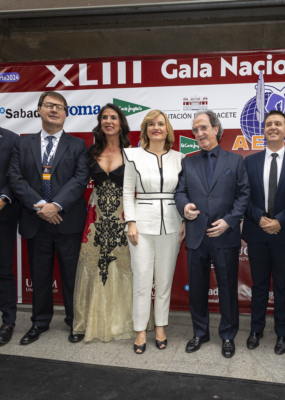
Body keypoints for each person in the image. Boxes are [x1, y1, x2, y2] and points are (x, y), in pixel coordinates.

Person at [8, 91, 89, 344]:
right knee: (40, 275)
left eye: (60, 107)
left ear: (66, 113)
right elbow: (15, 178)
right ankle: (39, 322)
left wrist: (56, 205)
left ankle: (75, 322)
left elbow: (79, 179)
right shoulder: (22, 143)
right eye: (49, 106)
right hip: (36, 221)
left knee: (71, 276)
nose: (54, 110)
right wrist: (42, 206)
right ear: (39, 110)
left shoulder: (78, 145)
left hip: (68, 221)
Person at [175, 110, 249, 359]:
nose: (199, 133)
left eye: (203, 127)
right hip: (196, 235)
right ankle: (200, 332)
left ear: (216, 129)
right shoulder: (188, 161)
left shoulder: (236, 161)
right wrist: (184, 206)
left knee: (227, 288)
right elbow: (180, 192)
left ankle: (227, 335)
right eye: (195, 130)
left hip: (224, 236)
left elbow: (243, 196)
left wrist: (229, 222)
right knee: (196, 288)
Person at [242, 110, 285, 355]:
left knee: (282, 285)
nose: (273, 127)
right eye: (268, 124)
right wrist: (258, 217)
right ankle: (256, 329)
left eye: (278, 123)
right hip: (257, 232)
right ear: (263, 130)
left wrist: (280, 221)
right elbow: (243, 196)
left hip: (284, 233)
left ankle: (282, 333)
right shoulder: (250, 161)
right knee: (259, 285)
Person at [73, 103, 137, 342]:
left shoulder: (134, 152)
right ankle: (89, 322)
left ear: (121, 123)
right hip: (96, 218)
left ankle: (123, 322)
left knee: (123, 266)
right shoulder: (89, 153)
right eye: (104, 118)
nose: (108, 121)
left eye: (113, 117)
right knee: (94, 265)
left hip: (124, 216)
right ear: (100, 123)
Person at [124, 110, 185, 354]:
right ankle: (140, 330)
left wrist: (183, 221)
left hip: (171, 224)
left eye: (161, 123)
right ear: (145, 128)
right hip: (141, 225)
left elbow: (183, 192)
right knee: (141, 279)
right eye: (151, 124)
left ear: (168, 129)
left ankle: (160, 327)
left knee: (164, 281)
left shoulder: (180, 158)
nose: (156, 127)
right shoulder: (132, 155)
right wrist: (130, 221)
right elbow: (128, 191)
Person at [0, 125, 19, 345]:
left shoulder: (11, 138)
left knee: (2, 269)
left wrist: (3, 198)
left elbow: (17, 174)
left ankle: (8, 321)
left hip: (1, 212)